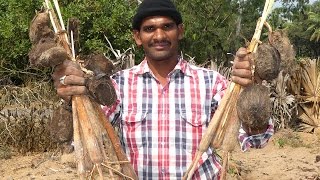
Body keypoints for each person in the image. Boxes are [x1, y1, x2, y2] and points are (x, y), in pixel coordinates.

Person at [52, 0, 274, 179]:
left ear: (180, 31)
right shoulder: (118, 86)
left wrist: (251, 91)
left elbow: (255, 139)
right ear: (138, 37)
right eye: (149, 29)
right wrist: (72, 99)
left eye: (166, 26)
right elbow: (82, 137)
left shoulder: (212, 83)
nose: (159, 36)